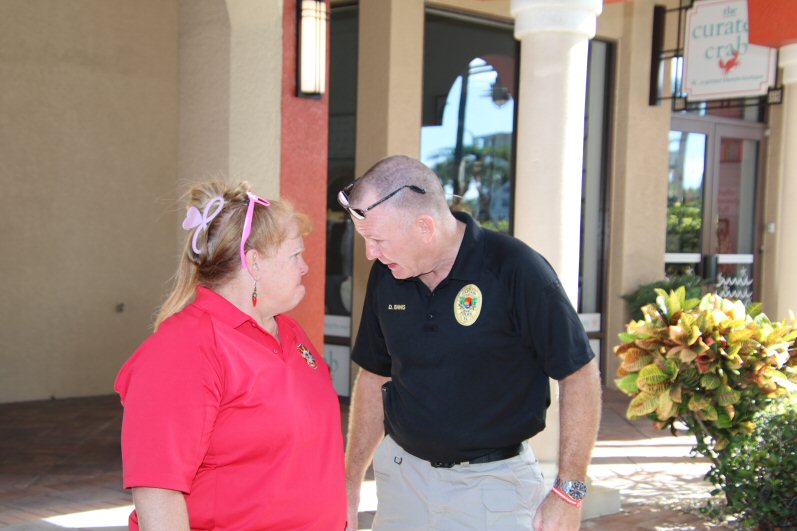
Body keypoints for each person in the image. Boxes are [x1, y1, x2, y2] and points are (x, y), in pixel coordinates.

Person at [340, 155, 601, 531]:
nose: (371, 254)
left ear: (425, 227)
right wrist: (350, 482)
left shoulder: (515, 269)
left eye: (378, 240)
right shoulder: (387, 274)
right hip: (402, 484)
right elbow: (375, 376)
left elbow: (579, 374)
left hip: (494, 488)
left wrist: (569, 492)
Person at [115, 181, 347, 530]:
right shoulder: (185, 349)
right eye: (295, 255)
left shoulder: (289, 332)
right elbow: (158, 492)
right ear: (254, 263)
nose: (305, 268)